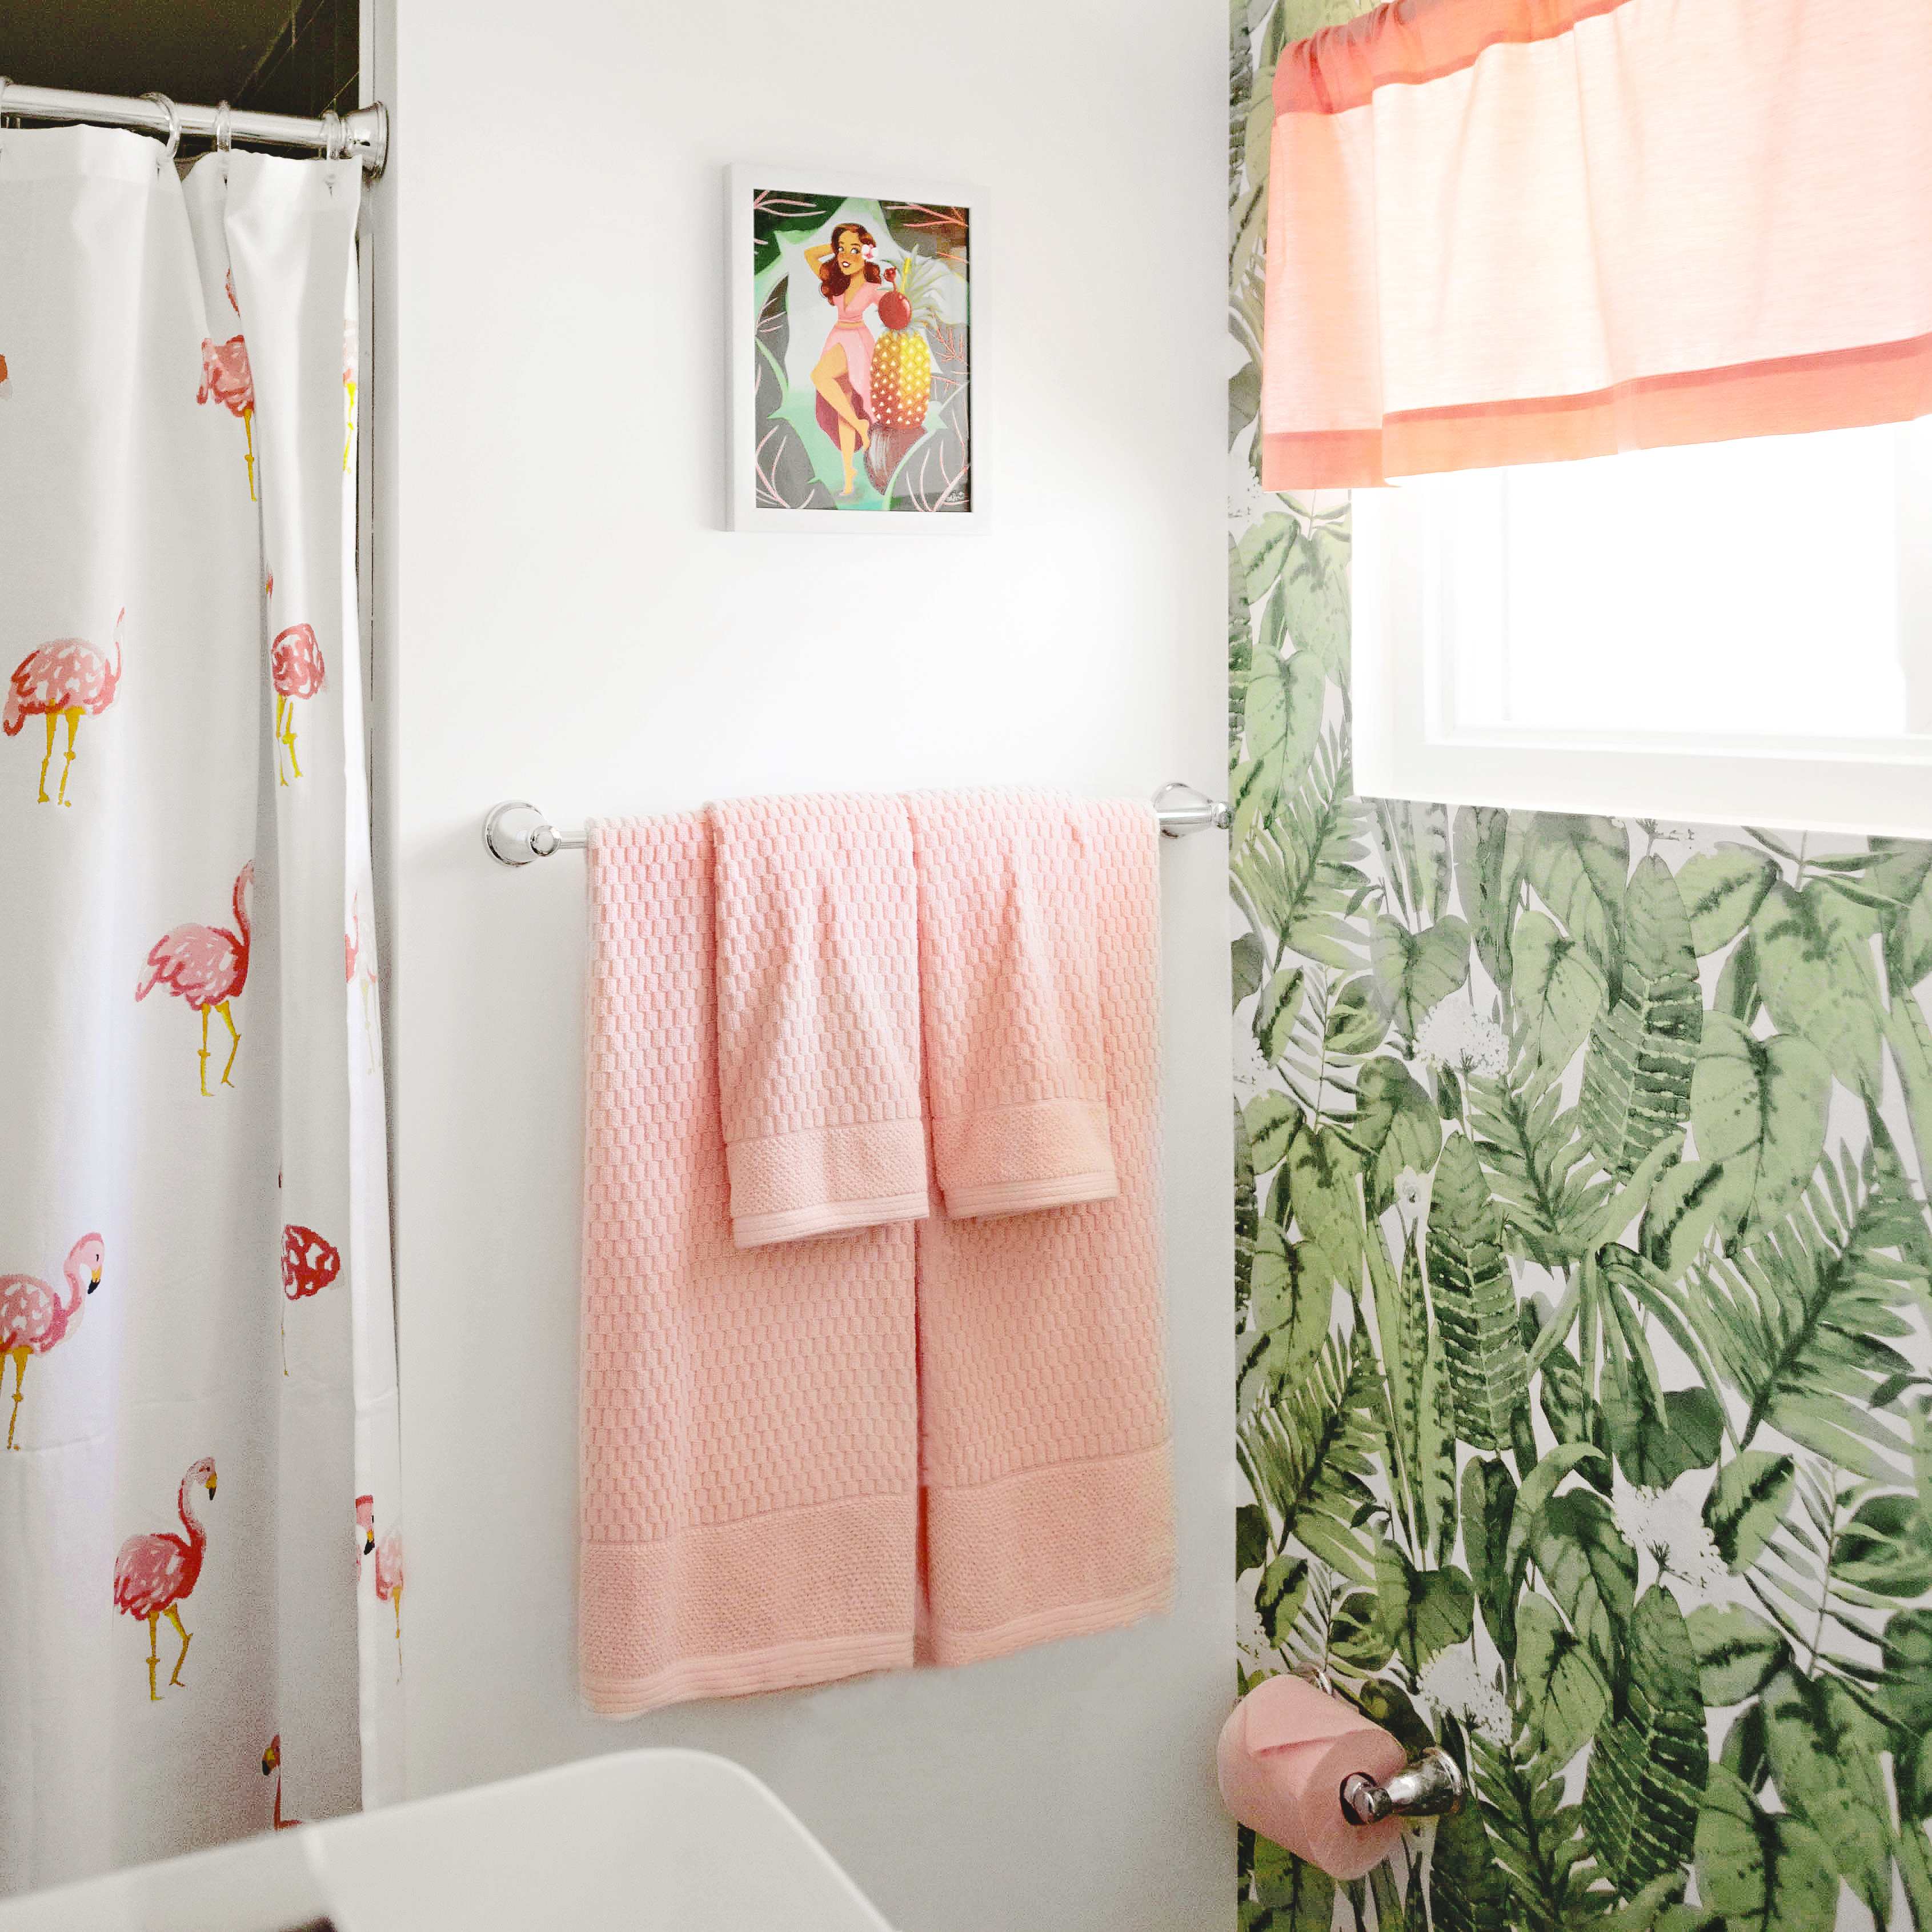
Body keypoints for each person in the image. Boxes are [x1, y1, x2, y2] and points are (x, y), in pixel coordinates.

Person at [803, 222, 898, 499]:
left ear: (867, 253)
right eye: (841, 249)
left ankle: (860, 425)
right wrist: (838, 248)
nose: (846, 256)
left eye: (855, 250)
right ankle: (848, 479)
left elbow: (892, 307)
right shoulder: (836, 279)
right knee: (843, 407)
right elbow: (809, 255)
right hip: (837, 338)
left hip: (856, 342)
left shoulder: (872, 287)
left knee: (820, 376)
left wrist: (896, 289)